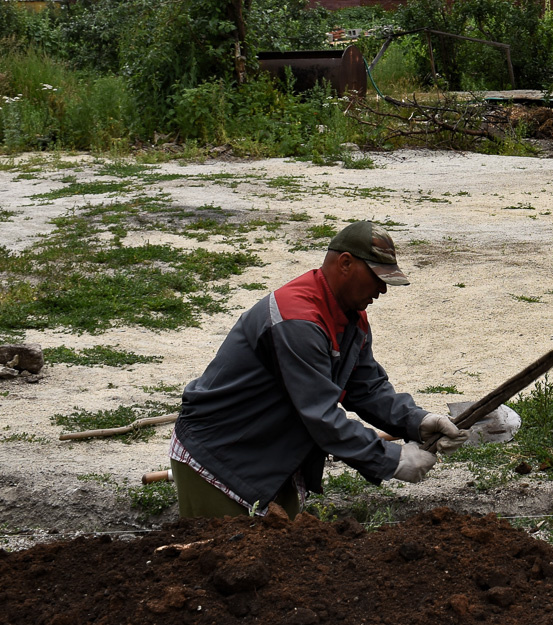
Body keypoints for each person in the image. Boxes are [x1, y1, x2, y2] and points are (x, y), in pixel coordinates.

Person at [169, 220, 467, 517]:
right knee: (226, 557)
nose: (382, 290)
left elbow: (366, 388)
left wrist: (416, 420)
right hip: (220, 459)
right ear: (346, 263)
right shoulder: (297, 321)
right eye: (377, 277)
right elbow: (321, 416)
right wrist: (393, 460)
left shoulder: (350, 317)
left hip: (269, 456)